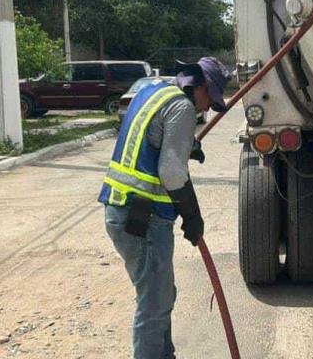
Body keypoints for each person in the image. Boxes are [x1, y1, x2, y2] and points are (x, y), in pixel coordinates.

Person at [98, 56, 231, 359]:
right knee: (154, 303)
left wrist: (186, 143)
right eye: (210, 100)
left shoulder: (152, 92)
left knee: (160, 295)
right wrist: (192, 215)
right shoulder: (182, 107)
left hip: (121, 211)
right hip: (144, 217)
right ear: (199, 87)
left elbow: (151, 138)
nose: (206, 109)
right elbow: (171, 172)